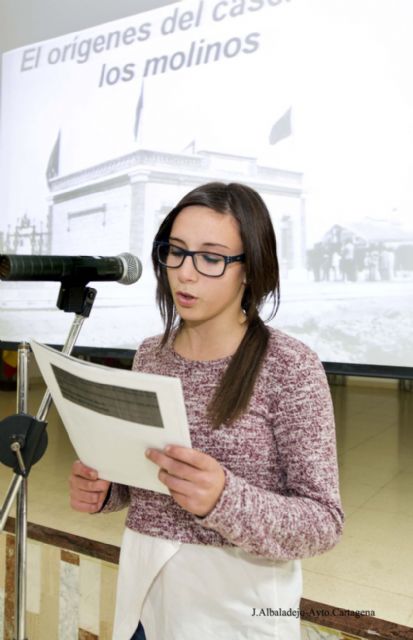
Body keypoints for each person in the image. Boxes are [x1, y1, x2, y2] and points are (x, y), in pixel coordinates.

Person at [69, 182, 344, 640]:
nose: (185, 274)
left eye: (211, 258)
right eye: (176, 252)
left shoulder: (289, 366)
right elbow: (147, 476)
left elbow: (324, 522)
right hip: (145, 598)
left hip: (236, 610)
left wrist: (223, 499)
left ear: (250, 270)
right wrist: (107, 490)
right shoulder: (151, 354)